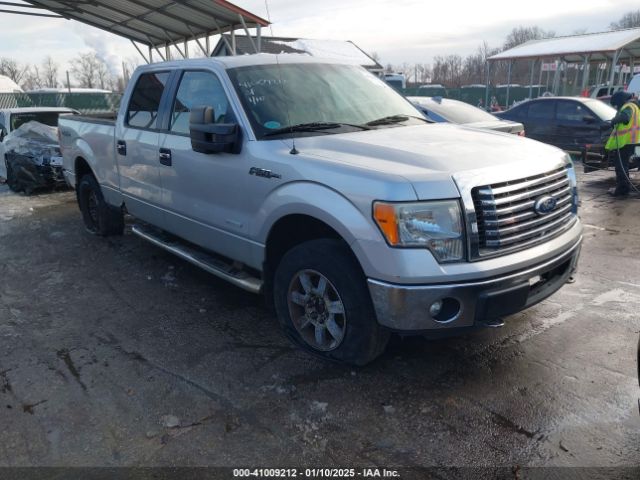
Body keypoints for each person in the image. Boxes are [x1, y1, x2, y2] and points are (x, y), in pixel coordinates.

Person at [605, 91, 640, 197]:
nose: (616, 107)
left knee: (621, 167)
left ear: (620, 100)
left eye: (616, 104)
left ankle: (622, 190)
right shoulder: (635, 106)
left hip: (625, 142)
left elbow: (625, 118)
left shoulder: (629, 106)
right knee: (623, 166)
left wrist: (615, 120)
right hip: (631, 141)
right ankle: (624, 188)